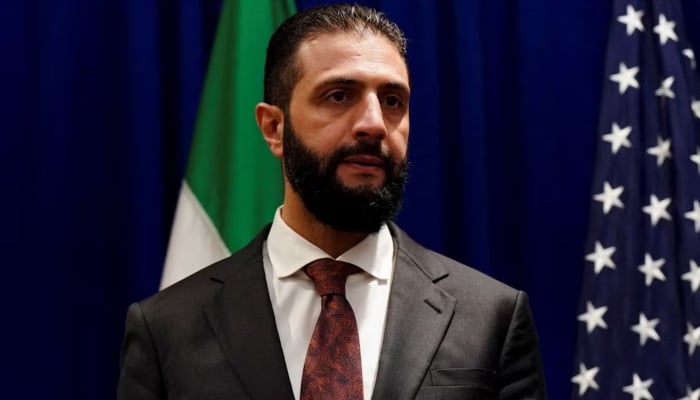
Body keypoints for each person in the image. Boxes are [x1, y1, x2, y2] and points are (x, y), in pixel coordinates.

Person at [117, 4, 547, 400]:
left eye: (392, 101)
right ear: (273, 128)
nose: (374, 124)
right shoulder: (167, 329)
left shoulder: (491, 319)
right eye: (339, 95)